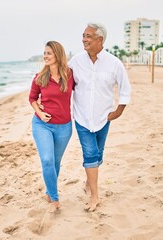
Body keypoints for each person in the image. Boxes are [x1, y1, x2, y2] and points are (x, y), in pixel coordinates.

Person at [68, 23, 131, 211]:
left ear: (99, 39)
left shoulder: (114, 63)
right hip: (81, 117)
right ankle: (95, 196)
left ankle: (89, 182)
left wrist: (118, 111)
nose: (84, 39)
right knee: (90, 154)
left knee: (98, 153)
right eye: (83, 35)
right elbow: (63, 82)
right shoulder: (75, 61)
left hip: (104, 118)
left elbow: (125, 88)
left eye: (88, 36)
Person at [29, 41, 74, 212]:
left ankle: (49, 191)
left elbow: (84, 90)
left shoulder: (69, 75)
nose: (45, 56)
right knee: (47, 160)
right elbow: (32, 98)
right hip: (42, 125)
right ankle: (55, 199)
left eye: (49, 53)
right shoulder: (39, 77)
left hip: (64, 127)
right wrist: (39, 113)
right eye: (44, 53)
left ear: (57, 55)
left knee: (55, 162)